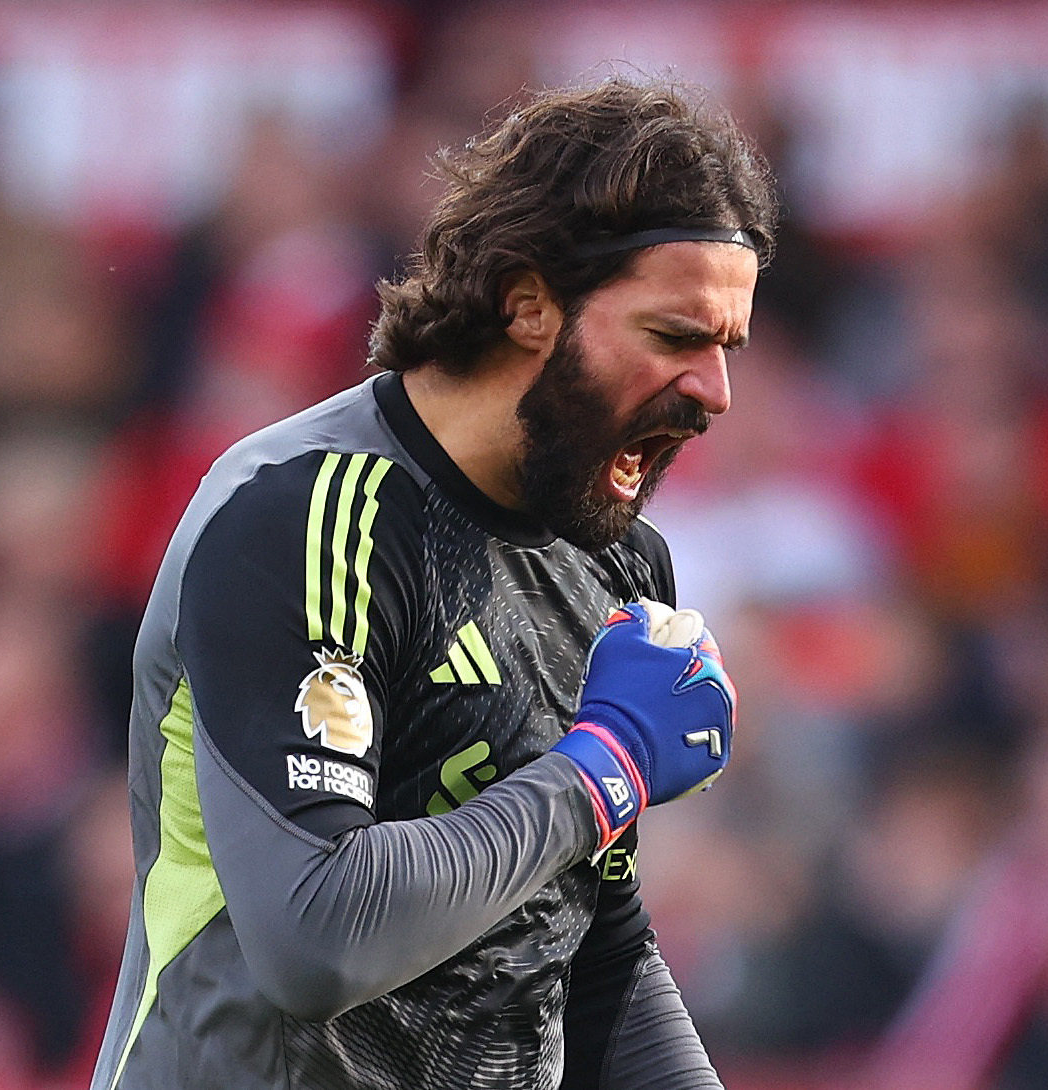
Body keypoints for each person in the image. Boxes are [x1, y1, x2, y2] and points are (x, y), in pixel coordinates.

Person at [88, 77, 778, 1090]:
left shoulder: (619, 560)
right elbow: (315, 938)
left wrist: (597, 784)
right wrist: (608, 765)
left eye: (726, 350)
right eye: (675, 338)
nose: (714, 394)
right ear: (528, 305)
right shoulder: (305, 518)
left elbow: (592, 957)